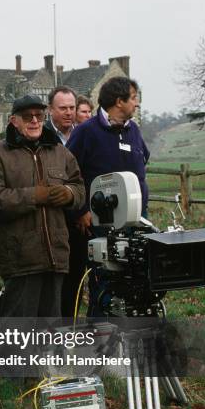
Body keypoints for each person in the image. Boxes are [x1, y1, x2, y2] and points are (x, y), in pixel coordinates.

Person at [0, 94, 85, 317]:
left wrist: (68, 194)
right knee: (18, 334)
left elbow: (80, 189)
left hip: (57, 256)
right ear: (13, 121)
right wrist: (35, 196)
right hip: (19, 258)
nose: (34, 121)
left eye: (39, 115)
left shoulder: (60, 152)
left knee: (50, 332)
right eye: (27, 117)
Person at [62, 76, 150, 317]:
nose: (137, 103)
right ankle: (100, 340)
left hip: (138, 221)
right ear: (118, 101)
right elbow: (67, 173)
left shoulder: (134, 131)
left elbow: (144, 160)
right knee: (106, 282)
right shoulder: (86, 132)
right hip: (103, 224)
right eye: (133, 98)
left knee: (136, 280)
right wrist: (79, 211)